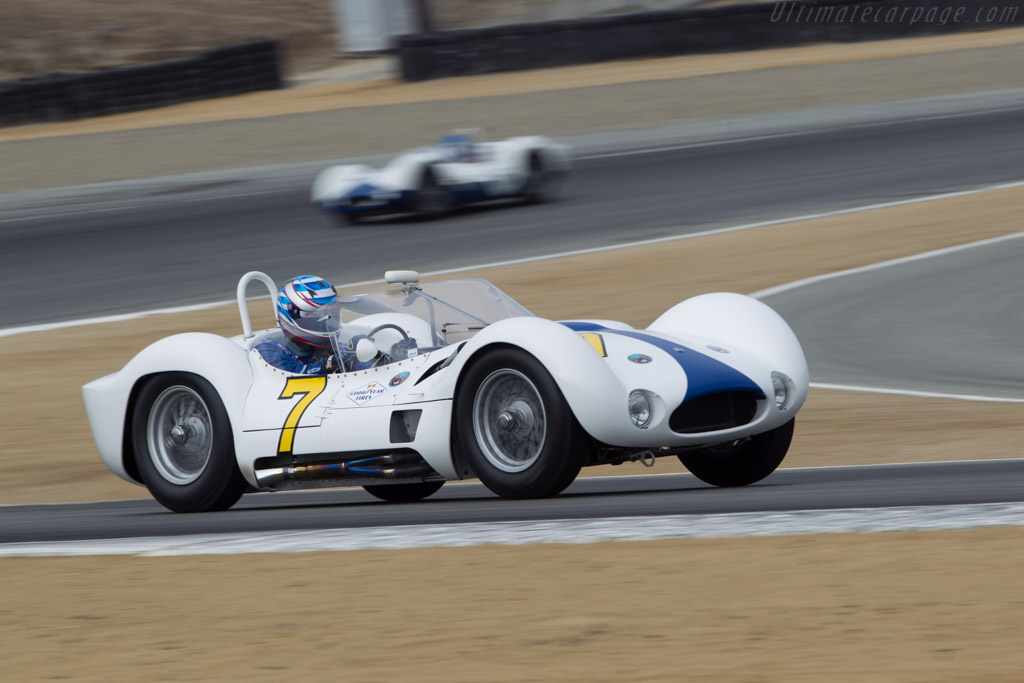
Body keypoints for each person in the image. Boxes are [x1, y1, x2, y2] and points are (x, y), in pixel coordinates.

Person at [257, 275, 345, 375]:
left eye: (332, 313)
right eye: (314, 315)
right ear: (292, 314)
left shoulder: (338, 347)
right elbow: (293, 374)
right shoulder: (271, 350)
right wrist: (327, 365)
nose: (325, 323)